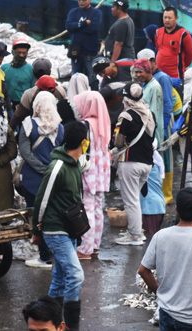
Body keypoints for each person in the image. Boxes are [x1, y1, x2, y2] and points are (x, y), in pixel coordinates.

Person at [33, 121, 87, 331]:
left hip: (69, 228)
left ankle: (47, 321)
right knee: (75, 275)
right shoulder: (57, 167)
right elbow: (41, 200)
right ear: (83, 142)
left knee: (60, 279)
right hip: (55, 230)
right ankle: (71, 326)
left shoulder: (76, 164)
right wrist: (36, 231)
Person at [138, 188, 192, 330]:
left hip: (166, 312)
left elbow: (143, 270)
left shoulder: (160, 236)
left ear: (176, 209)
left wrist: (160, 292)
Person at [17, 90, 64, 269]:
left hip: (32, 179)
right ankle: (54, 253)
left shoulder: (28, 124)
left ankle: (44, 256)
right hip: (53, 177)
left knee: (36, 217)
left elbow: (25, 152)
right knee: (51, 216)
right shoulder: (59, 126)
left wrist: (40, 169)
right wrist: (49, 169)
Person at [114, 82, 156, 247]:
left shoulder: (127, 116)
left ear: (127, 98)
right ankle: (136, 231)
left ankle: (135, 235)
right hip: (147, 162)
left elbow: (118, 141)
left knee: (131, 201)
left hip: (131, 162)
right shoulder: (149, 113)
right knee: (135, 199)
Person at [73, 91, 110, 260]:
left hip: (88, 173)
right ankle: (95, 246)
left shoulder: (84, 125)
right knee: (97, 209)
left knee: (86, 209)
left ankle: (85, 249)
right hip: (102, 173)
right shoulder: (104, 121)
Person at [132, 59, 169, 204]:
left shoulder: (154, 87)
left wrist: (151, 139)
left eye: (140, 71)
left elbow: (152, 115)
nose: (138, 75)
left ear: (148, 70)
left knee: (152, 175)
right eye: (136, 72)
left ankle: (153, 205)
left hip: (151, 136)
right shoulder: (145, 85)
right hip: (146, 134)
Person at [9, 61, 65, 130]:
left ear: (33, 73)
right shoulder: (60, 91)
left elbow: (18, 116)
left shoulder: (29, 94)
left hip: (34, 130)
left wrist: (10, 130)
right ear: (50, 72)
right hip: (57, 128)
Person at [65, 0, 102, 84]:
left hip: (90, 51)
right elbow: (68, 27)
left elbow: (93, 28)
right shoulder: (73, 12)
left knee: (92, 77)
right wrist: (84, 23)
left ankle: (93, 92)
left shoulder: (96, 13)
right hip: (75, 51)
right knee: (75, 78)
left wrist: (76, 28)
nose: (81, 1)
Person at [153, 7, 192, 88]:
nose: (167, 20)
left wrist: (183, 66)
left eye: (170, 18)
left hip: (175, 77)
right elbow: (158, 48)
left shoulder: (183, 34)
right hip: (159, 76)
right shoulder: (158, 32)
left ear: (176, 18)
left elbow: (191, 54)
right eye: (165, 17)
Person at [1, 38, 35, 110]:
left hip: (24, 107)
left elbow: (33, 92)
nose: (21, 55)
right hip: (6, 105)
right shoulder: (4, 68)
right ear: (13, 52)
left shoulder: (31, 70)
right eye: (19, 53)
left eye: (24, 53)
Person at [105, 0, 136, 64]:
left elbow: (118, 44)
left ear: (119, 9)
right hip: (126, 58)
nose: (112, 9)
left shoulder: (121, 24)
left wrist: (112, 63)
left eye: (113, 7)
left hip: (122, 60)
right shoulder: (128, 20)